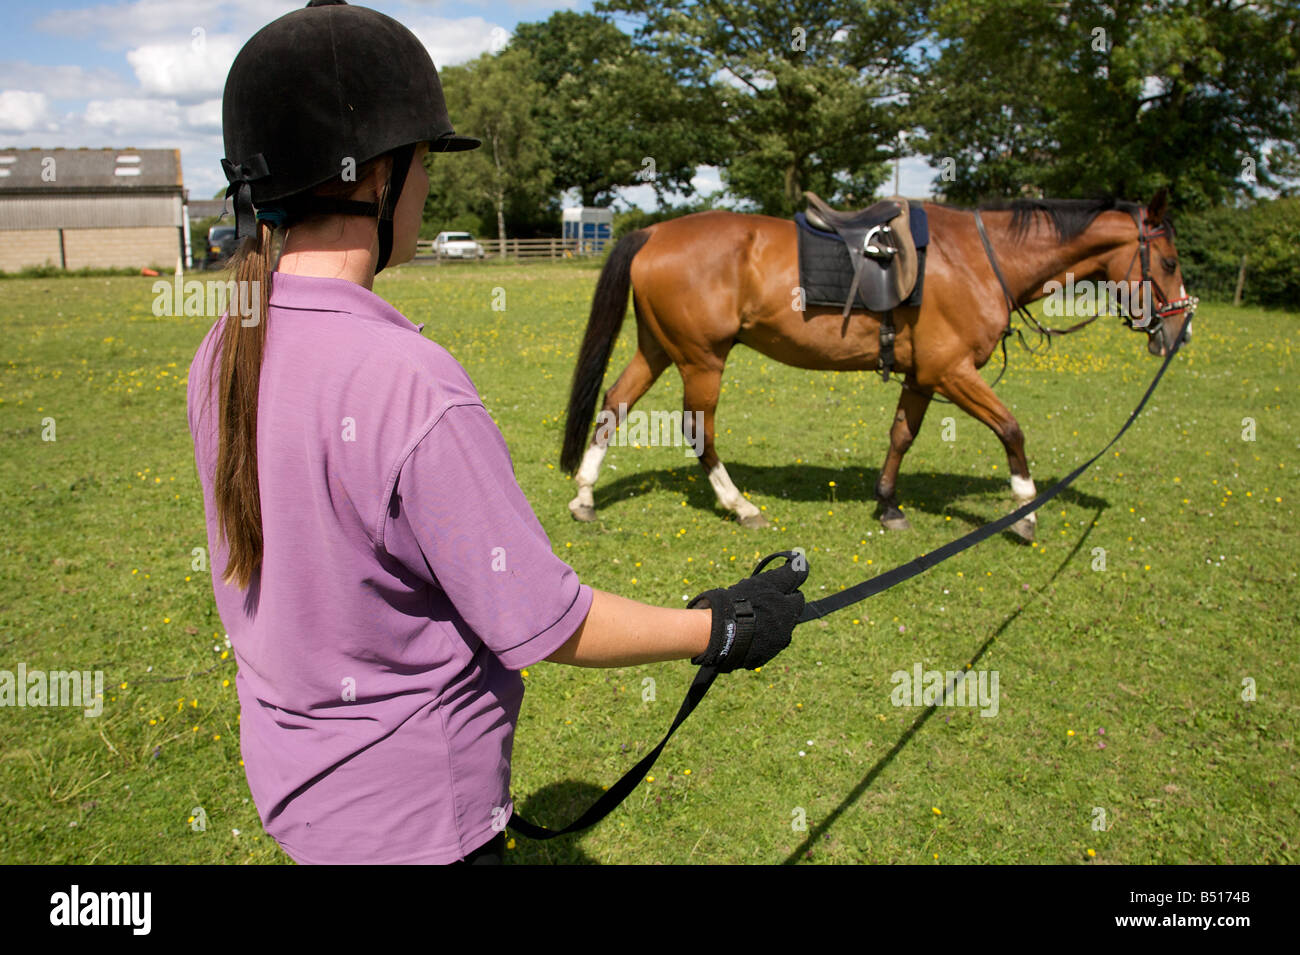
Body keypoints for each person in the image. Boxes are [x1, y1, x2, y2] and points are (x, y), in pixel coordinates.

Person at [187, 0, 807, 865]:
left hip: (301, 793)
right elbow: (543, 620)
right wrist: (723, 626)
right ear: (378, 179)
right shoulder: (409, 380)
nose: (427, 185)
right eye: (423, 164)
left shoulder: (223, 344)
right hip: (420, 816)